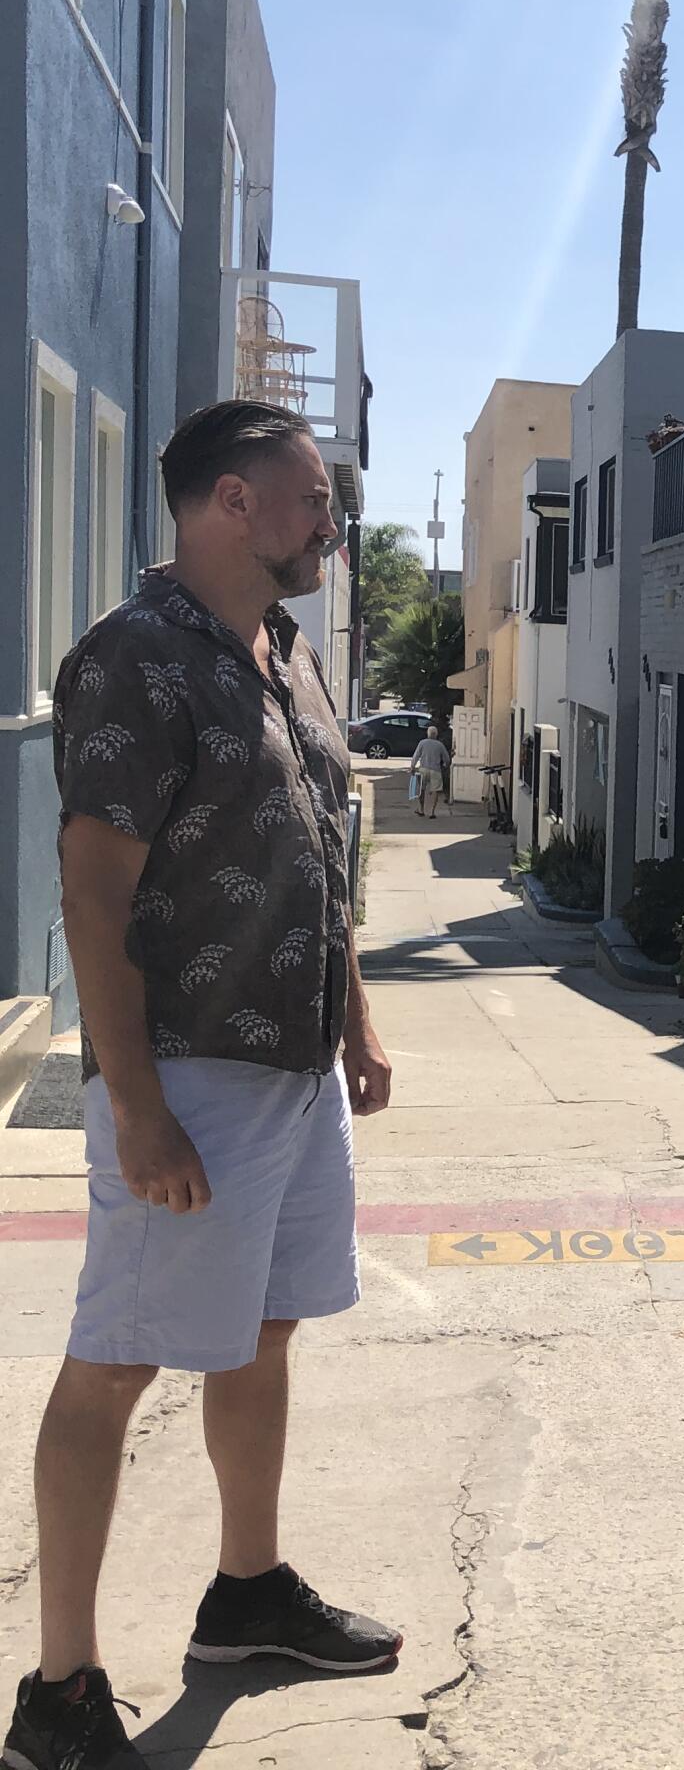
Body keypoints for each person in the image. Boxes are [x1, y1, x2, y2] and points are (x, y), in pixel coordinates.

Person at [5, 401, 403, 1770]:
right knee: (115, 1358)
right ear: (227, 503)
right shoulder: (133, 663)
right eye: (307, 498)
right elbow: (92, 896)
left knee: (270, 1326)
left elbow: (319, 850)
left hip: (293, 1067)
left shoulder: (285, 651)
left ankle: (247, 1593)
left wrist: (354, 1014)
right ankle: (59, 1687)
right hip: (186, 1071)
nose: (328, 522)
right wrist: (133, 1105)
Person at [410, 725, 450, 818]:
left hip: (423, 769)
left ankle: (421, 809)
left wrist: (412, 766)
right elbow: (446, 759)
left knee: (422, 789)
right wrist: (445, 765)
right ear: (436, 735)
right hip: (435, 770)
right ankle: (432, 812)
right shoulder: (440, 745)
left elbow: (416, 755)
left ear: (427, 733)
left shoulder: (422, 743)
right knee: (436, 790)